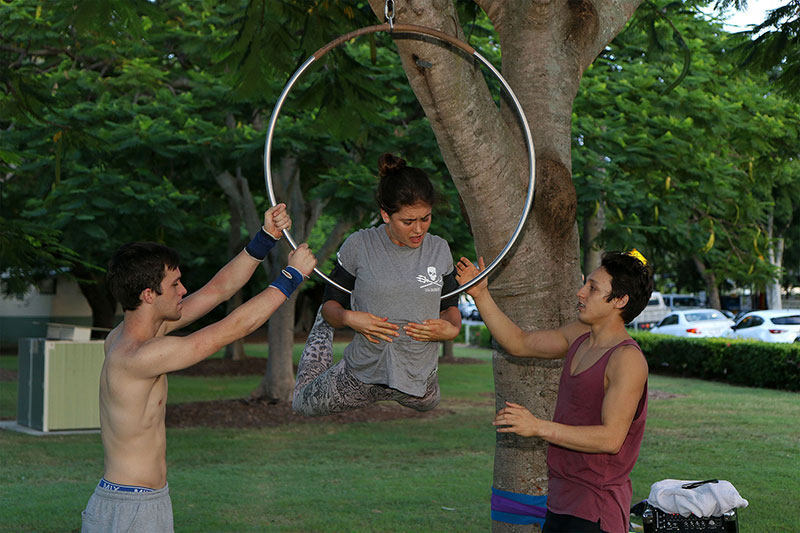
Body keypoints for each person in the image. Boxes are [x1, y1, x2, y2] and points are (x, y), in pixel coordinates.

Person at [81, 204, 316, 533]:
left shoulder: (125, 335)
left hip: (136, 500)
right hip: (132, 508)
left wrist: (266, 238)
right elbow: (230, 329)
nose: (184, 290)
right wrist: (292, 277)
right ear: (149, 294)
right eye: (175, 284)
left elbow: (217, 291)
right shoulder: (139, 356)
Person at [455, 250, 653, 533]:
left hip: (596, 509)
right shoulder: (579, 335)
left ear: (620, 301)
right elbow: (519, 343)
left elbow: (610, 439)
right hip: (561, 500)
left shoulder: (627, 360)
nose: (580, 292)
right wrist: (481, 294)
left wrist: (537, 426)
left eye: (593, 288)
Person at [292, 153, 462, 416]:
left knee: (430, 401)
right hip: (362, 374)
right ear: (385, 215)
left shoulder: (439, 249)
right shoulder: (359, 245)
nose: (419, 229)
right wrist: (349, 317)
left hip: (418, 383)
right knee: (303, 404)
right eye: (408, 221)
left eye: (425, 218)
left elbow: (450, 306)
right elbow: (331, 308)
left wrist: (451, 330)